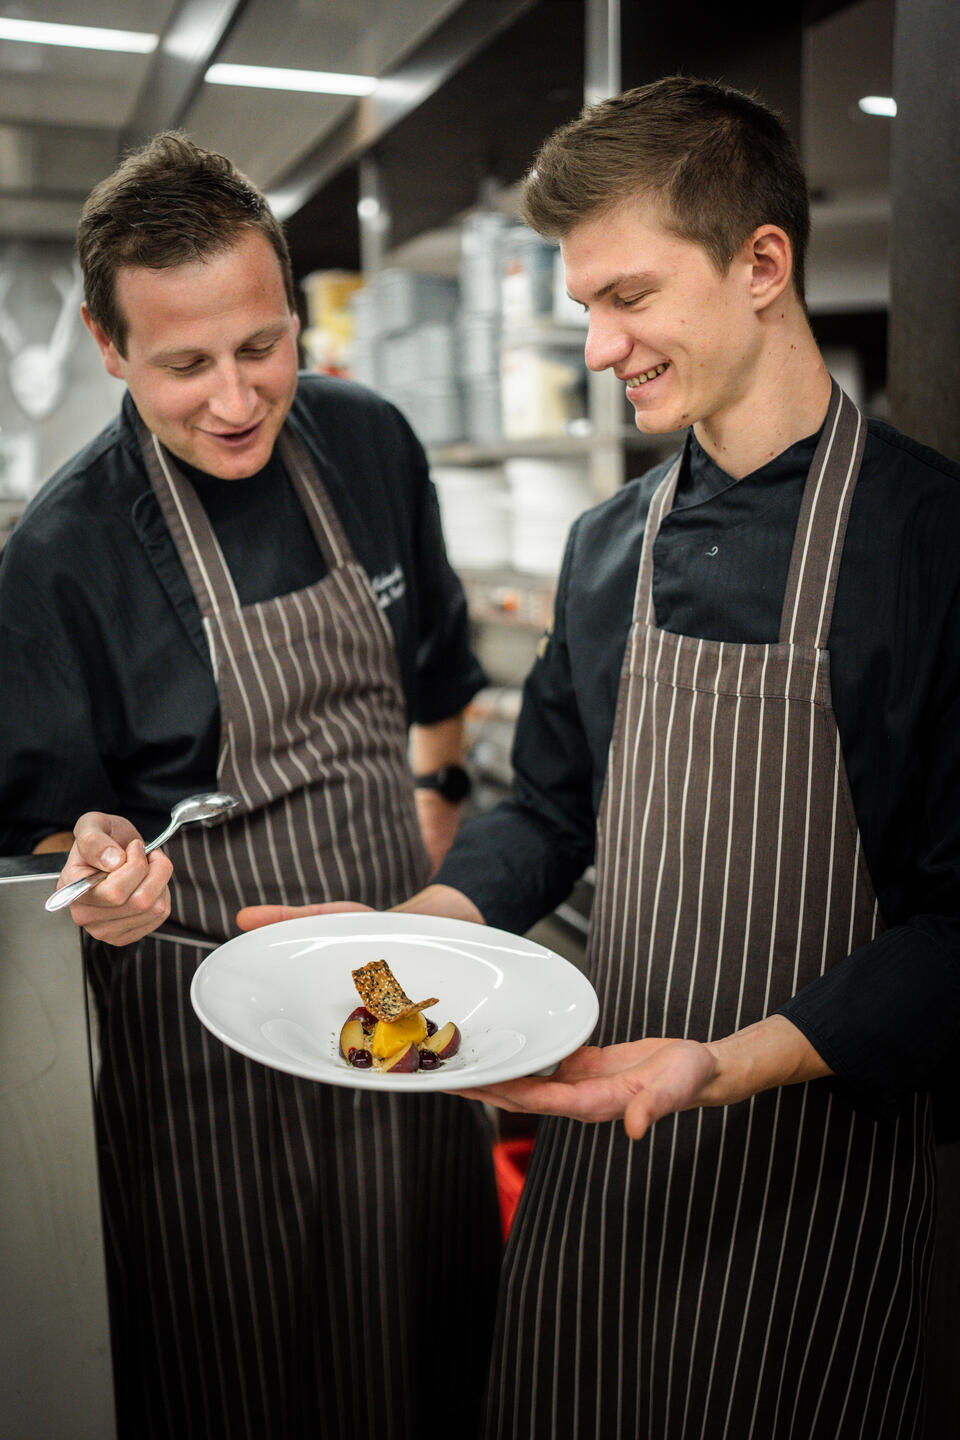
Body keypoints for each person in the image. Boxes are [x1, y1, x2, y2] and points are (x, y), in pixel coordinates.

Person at [242, 77, 960, 1438]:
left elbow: (952, 924)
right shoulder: (607, 546)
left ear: (762, 264)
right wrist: (416, 931)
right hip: (602, 1141)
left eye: (627, 296)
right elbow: (548, 810)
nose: (598, 344)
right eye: (584, 307)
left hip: (808, 1177)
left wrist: (719, 1065)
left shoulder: (928, 543)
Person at [0, 133, 502, 1440]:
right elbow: (53, 832)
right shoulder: (60, 555)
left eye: (261, 347)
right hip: (200, 1037)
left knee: (433, 1338)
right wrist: (92, 861)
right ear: (112, 351)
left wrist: (437, 814)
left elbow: (438, 662)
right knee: (243, 1375)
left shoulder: (370, 444)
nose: (235, 399)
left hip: (400, 999)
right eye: (184, 365)